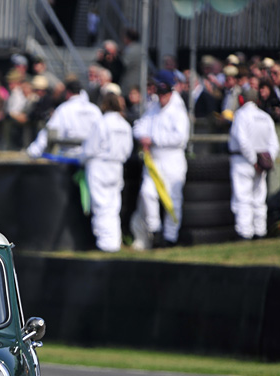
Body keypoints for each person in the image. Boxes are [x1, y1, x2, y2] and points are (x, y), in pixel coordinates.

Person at [130, 70, 190, 249]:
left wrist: (154, 139)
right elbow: (139, 126)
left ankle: (170, 238)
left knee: (173, 200)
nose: (161, 97)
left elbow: (180, 138)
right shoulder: (154, 107)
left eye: (163, 93)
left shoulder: (178, 110)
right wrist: (143, 137)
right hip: (154, 160)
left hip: (172, 160)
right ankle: (155, 231)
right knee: (147, 193)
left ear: (170, 91)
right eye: (159, 93)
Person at [81, 88, 133, 251]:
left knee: (101, 205)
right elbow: (128, 149)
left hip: (100, 166)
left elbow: (90, 148)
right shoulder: (124, 125)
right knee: (113, 205)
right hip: (116, 166)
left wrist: (80, 159)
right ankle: (114, 241)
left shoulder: (102, 123)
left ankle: (106, 244)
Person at [228, 88, 279, 240]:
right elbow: (274, 144)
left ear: (242, 100)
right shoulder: (266, 117)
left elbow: (242, 141)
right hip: (260, 164)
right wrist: (265, 162)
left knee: (242, 198)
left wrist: (253, 160)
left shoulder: (241, 115)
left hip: (243, 162)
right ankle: (260, 231)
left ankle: (245, 233)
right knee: (259, 199)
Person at [26, 77, 102, 158]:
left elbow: (49, 130)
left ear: (68, 93)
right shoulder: (95, 110)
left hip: (71, 159)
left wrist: (33, 151)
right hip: (91, 158)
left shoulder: (64, 109)